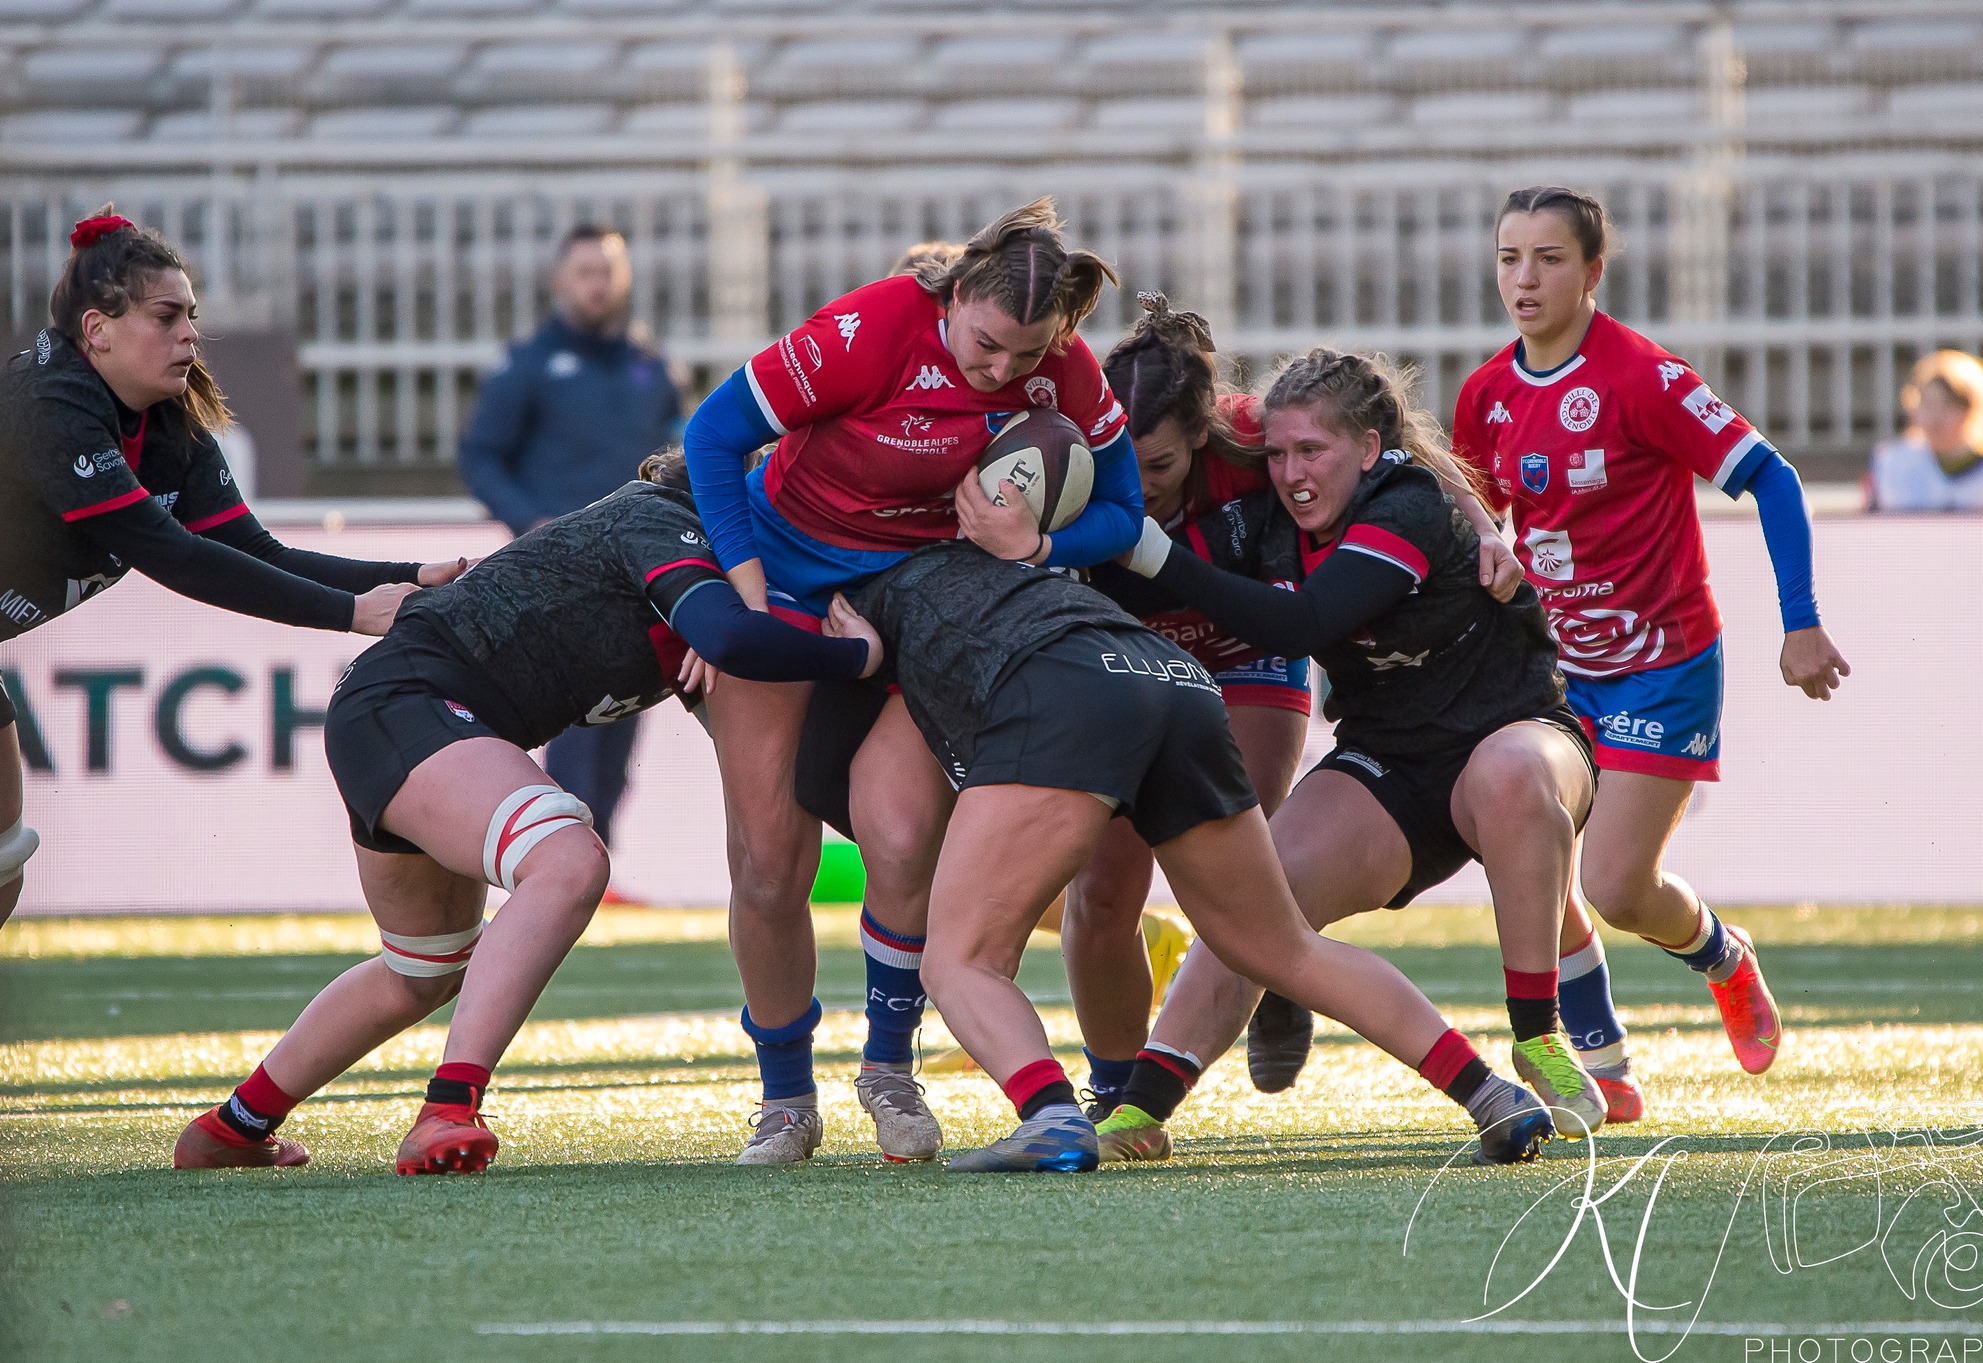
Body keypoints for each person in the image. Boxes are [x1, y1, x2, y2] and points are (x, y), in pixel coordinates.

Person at [173, 450, 881, 1174]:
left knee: (420, 970)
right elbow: (729, 636)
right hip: (409, 704)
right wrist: (853, 655)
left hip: (411, 718)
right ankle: (448, 1108)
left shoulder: (713, 585)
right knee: (568, 860)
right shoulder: (661, 522)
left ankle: (234, 1126)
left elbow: (767, 743)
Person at [821, 541, 1558, 1172]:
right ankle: (1491, 1092)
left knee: (959, 960)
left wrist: (853, 652)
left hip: (1058, 688)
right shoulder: (991, 540)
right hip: (1170, 676)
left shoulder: (847, 570)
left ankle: (1051, 1114)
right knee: (1283, 947)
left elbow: (772, 651)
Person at [682, 198, 1143, 1165]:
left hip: (921, 598)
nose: (1003, 373)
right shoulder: (870, 328)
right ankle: (784, 1097)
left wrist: (1041, 541)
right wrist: (749, 599)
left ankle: (890, 1072)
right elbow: (712, 437)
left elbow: (1131, 515)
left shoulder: (1062, 368)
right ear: (954, 293)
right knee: (770, 864)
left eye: (1027, 356)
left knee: (898, 838)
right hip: (790, 580)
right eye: (986, 347)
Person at [1089, 348, 1606, 1160]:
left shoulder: (1405, 504)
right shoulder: (1269, 513)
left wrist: (1153, 553)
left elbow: (1302, 625)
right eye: (1281, 454)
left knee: (1508, 776)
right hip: (1389, 762)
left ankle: (1539, 1035)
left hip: (1521, 736)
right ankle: (1139, 1109)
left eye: (1313, 453)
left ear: (1369, 450)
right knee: (1253, 901)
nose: (1291, 472)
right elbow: (1145, 583)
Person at [1452, 185, 1852, 1106]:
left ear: (1593, 273)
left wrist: (1800, 621)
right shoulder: (1487, 394)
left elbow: (1775, 479)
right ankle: (1605, 1067)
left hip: (1661, 663)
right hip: (1555, 668)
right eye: (1510, 257)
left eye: (1548, 258)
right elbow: (1481, 520)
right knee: (1527, 847)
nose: (1525, 277)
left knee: (1620, 885)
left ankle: (1723, 954)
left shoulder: (1641, 377)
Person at [0, 210, 454, 931]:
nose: (189, 334)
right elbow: (177, 557)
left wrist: (406, 575)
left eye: (192, 316)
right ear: (97, 330)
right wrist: (352, 613)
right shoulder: (52, 407)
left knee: (3, 864)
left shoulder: (170, 427)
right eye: (166, 315)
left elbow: (259, 554)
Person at [458, 224, 685, 882]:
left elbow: (677, 456)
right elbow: (480, 456)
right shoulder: (529, 364)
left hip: (643, 573)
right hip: (564, 576)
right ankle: (558, 865)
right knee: (576, 718)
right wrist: (530, 521)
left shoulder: (651, 366)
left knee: (626, 712)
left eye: (609, 269)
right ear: (560, 280)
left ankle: (598, 869)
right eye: (585, 270)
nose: (598, 283)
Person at [1868, 350, 1983, 513]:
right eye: (1928, 404)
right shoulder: (1892, 461)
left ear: (1974, 408)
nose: (1936, 417)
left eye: (1949, 405)